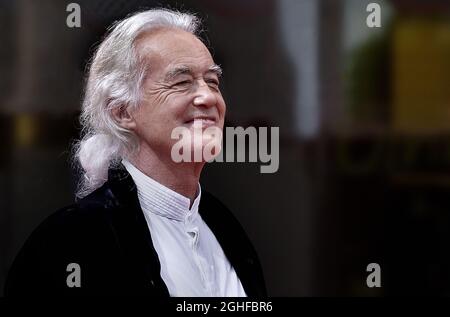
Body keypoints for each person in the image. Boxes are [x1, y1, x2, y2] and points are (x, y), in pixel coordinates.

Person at [5, 8, 266, 296]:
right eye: (182, 82)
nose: (208, 97)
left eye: (213, 82)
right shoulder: (68, 242)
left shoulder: (227, 228)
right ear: (121, 112)